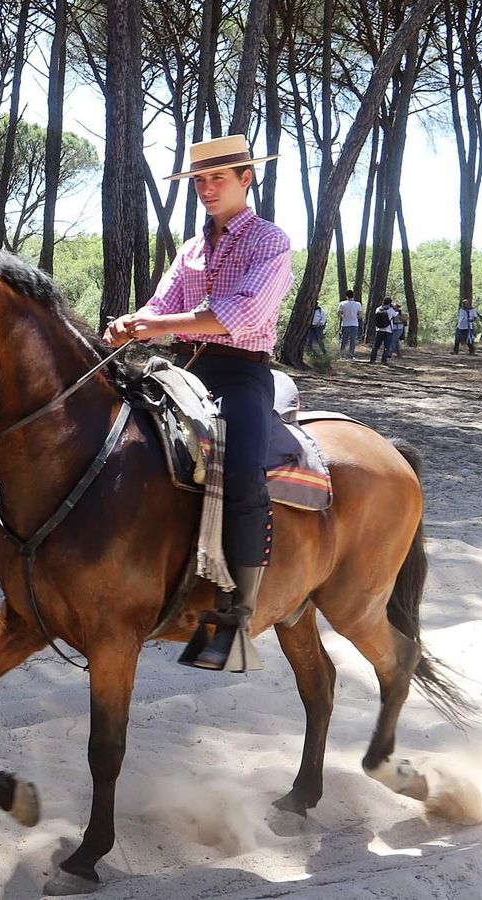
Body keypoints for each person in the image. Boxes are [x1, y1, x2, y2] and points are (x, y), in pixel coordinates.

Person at [104, 134, 292, 673]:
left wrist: (157, 325)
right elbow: (160, 304)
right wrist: (130, 322)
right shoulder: (191, 249)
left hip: (240, 372)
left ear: (245, 179)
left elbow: (243, 314)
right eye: (200, 181)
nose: (207, 189)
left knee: (242, 472)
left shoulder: (269, 242)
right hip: (183, 369)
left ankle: (235, 616)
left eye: (218, 179)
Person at [367, 298, 395, 364]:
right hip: (388, 331)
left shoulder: (378, 309)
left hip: (379, 330)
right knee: (386, 346)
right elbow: (396, 315)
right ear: (389, 303)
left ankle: (372, 359)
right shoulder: (391, 310)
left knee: (376, 346)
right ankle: (384, 360)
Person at [337, 289, 362, 359]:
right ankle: (350, 356)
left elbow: (339, 314)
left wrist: (344, 316)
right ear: (353, 296)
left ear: (346, 296)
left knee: (344, 340)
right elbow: (360, 315)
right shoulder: (358, 304)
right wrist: (355, 317)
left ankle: (342, 355)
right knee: (353, 341)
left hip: (345, 324)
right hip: (354, 324)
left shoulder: (342, 304)